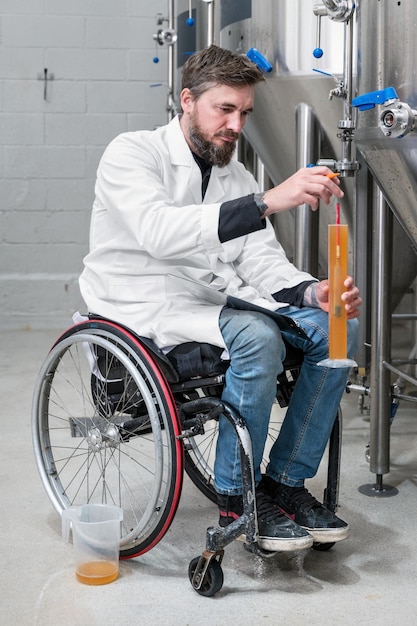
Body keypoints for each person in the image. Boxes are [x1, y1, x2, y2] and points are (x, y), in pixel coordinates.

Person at [79, 45, 361, 553]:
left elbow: (260, 259)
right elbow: (159, 233)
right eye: (224, 110)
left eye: (244, 113)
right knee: (257, 335)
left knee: (339, 325)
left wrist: (310, 291)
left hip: (212, 300)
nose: (236, 124)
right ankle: (238, 497)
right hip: (144, 301)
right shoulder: (132, 152)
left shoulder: (234, 174)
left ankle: (284, 483)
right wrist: (269, 200)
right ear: (187, 100)